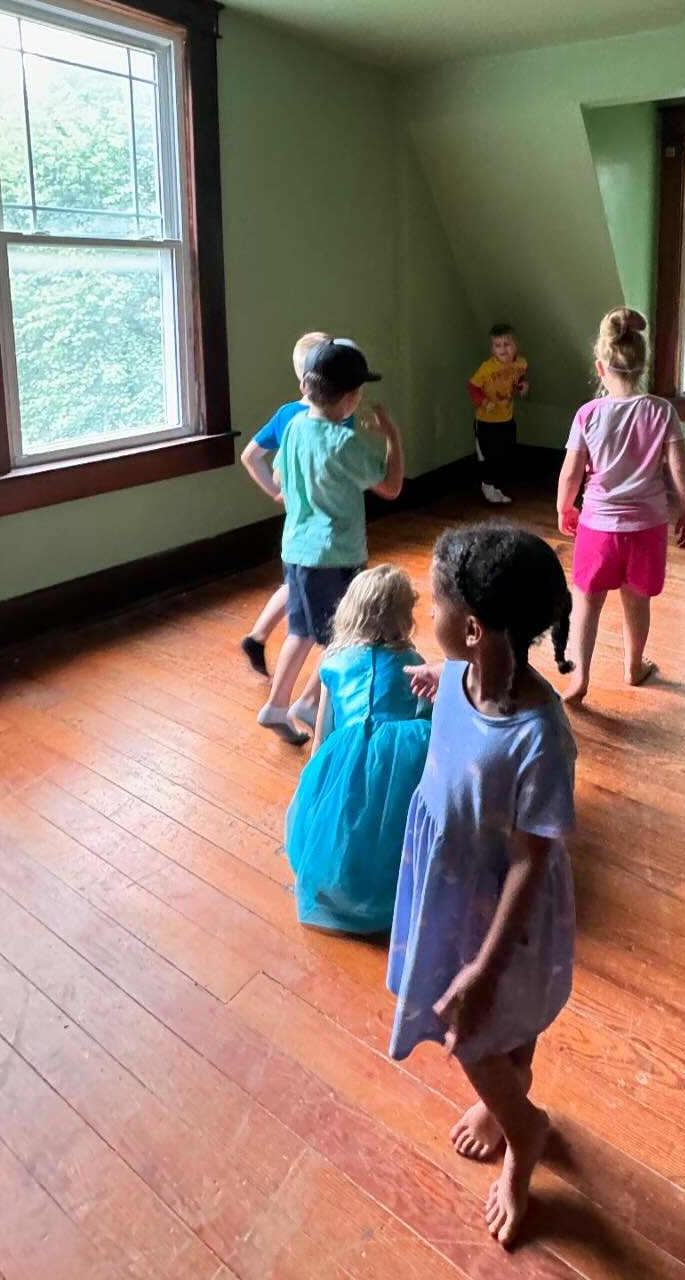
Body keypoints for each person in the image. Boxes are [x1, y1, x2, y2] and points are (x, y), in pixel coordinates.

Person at [388, 524, 576, 1250]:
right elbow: (465, 703)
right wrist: (445, 687)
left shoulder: (541, 736)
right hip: (451, 889)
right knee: (503, 1028)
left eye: (432, 599)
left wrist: (482, 965)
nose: (422, 605)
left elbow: (533, 861)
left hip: (504, 916)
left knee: (471, 1029)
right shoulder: (461, 676)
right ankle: (507, 1106)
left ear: (471, 629)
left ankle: (524, 1131)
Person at [255, 340, 404, 744]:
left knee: (301, 632)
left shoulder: (294, 428)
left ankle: (280, 704)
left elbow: (282, 482)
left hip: (296, 552)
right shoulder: (343, 442)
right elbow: (390, 487)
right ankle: (317, 723)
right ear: (353, 396)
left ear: (307, 387)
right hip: (335, 557)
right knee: (344, 642)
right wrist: (392, 437)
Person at [555, 308, 685, 704]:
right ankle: (633, 666)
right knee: (637, 601)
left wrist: (564, 507)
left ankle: (580, 677)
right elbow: (679, 468)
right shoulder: (660, 411)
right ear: (642, 367)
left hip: (598, 527)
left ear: (601, 368)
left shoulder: (588, 415)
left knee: (586, 602)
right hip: (647, 528)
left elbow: (571, 473)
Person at [284, 565, 431, 932]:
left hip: (345, 755)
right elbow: (426, 712)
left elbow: (322, 735)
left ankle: (340, 883)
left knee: (344, 818)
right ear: (403, 617)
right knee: (389, 824)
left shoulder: (333, 662)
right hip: (401, 759)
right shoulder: (412, 663)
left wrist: (315, 780)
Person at [239, 330, 341, 676]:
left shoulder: (286, 414)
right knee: (326, 612)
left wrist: (275, 491)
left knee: (295, 585)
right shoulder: (335, 414)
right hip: (327, 528)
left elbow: (251, 456)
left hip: (297, 524)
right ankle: (319, 693)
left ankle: (256, 637)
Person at [468, 323, 528, 504]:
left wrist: (522, 386)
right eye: (497, 345)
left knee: (505, 453)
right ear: (492, 348)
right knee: (488, 455)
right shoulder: (487, 368)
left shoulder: (521, 363)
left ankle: (498, 487)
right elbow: (472, 387)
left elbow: (518, 380)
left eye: (507, 344)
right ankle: (487, 486)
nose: (503, 349)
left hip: (506, 418)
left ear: (516, 345)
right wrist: (484, 402)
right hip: (486, 421)